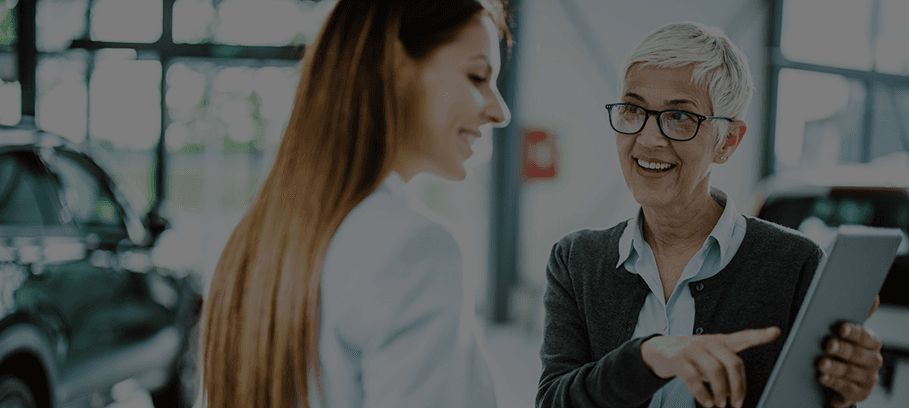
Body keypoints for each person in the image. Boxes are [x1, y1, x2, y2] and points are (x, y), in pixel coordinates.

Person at [537, 21, 883, 408]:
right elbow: (553, 402)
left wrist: (841, 393)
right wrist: (647, 358)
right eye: (633, 109)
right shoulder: (576, 261)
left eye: (680, 117)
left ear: (728, 141)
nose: (649, 139)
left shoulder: (795, 265)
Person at [200, 1, 511, 407]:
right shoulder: (417, 249)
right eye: (477, 76)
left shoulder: (254, 239)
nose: (499, 111)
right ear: (394, 63)